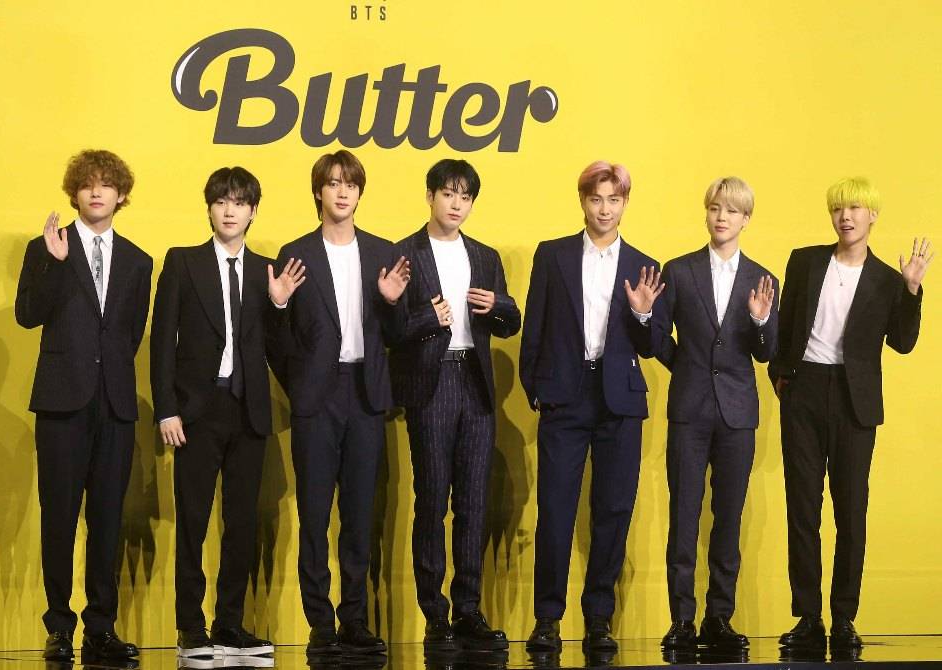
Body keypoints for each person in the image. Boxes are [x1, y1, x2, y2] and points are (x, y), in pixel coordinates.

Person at [770, 177, 931, 651]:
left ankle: (843, 616)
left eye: (856, 208)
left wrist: (912, 289)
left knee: (851, 512)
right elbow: (785, 321)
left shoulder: (886, 279)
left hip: (855, 400)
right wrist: (781, 376)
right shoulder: (804, 261)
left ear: (872, 216)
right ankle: (808, 616)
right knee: (802, 508)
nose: (847, 216)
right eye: (840, 208)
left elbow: (902, 342)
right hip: (804, 390)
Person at [151, 166, 304, 658]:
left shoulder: (266, 271)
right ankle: (190, 625)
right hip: (196, 410)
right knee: (194, 522)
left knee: (242, 523)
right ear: (210, 208)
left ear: (253, 211)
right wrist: (167, 409)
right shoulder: (182, 262)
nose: (230, 210)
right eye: (221, 201)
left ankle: (229, 624)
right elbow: (161, 344)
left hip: (250, 411)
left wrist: (279, 304)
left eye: (239, 202)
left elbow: (278, 350)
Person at [519, 160, 663, 653]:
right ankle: (547, 619)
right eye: (596, 199)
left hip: (619, 402)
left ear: (625, 203)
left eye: (614, 200)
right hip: (564, 395)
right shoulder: (553, 255)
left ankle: (599, 617)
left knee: (613, 511)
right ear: (583, 201)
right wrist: (533, 387)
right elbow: (534, 325)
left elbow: (653, 344)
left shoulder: (646, 265)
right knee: (555, 512)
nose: (605, 209)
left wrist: (643, 311)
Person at [15, 149, 151, 662]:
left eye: (106, 184)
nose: (97, 192)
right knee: (60, 517)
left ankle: (101, 625)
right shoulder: (47, 247)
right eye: (87, 184)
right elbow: (28, 314)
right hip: (61, 404)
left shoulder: (139, 261)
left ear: (121, 194)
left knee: (109, 519)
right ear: (74, 193)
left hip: (113, 404)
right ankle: (58, 625)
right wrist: (53, 266)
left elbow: (130, 333)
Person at [273, 150, 410, 657]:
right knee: (313, 512)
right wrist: (281, 303)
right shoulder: (296, 252)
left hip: (367, 393)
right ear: (318, 192)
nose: (342, 192)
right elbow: (276, 337)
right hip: (316, 395)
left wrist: (393, 302)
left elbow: (399, 335)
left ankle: (354, 616)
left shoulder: (382, 252)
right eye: (332, 183)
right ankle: (320, 622)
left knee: (359, 512)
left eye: (350, 184)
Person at [390, 159, 521, 652]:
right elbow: (391, 328)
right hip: (432, 382)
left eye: (465, 197)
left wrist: (500, 307)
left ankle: (468, 609)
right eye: (448, 194)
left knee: (472, 501)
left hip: (476, 380)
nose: (456, 205)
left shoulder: (484, 256)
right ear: (430, 196)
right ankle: (434, 612)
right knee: (432, 501)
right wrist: (429, 317)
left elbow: (511, 320)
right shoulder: (403, 254)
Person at [654, 177, 777, 651]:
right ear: (705, 213)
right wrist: (647, 319)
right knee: (683, 516)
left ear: (746, 219)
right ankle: (682, 619)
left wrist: (763, 320)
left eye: (732, 210)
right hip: (689, 409)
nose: (721, 217)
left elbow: (768, 353)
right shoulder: (679, 271)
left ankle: (718, 617)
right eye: (714, 208)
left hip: (738, 415)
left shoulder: (763, 279)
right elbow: (658, 339)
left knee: (728, 519)